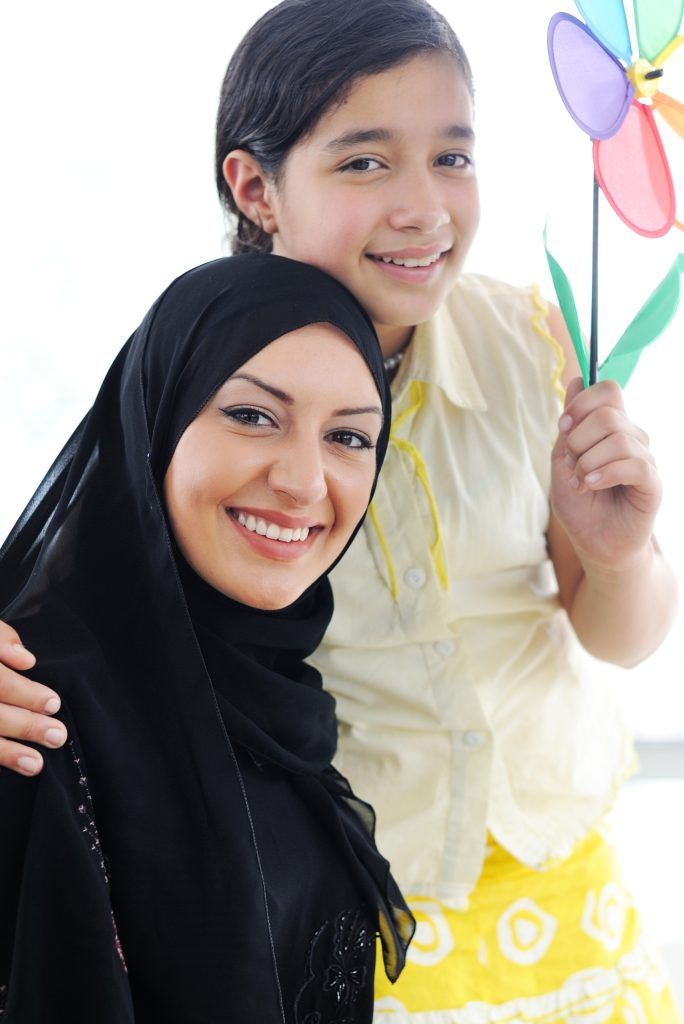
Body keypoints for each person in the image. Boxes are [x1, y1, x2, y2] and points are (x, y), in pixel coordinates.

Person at [0, 0, 680, 1018]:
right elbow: (94, 591)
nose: (424, 206)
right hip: (362, 897)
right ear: (255, 186)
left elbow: (617, 635)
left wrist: (620, 551)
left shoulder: (530, 344)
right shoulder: (205, 385)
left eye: (453, 157)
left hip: (567, 872)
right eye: (366, 163)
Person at [0, 253, 414, 1023]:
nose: (304, 481)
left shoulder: (284, 707)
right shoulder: (31, 706)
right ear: (156, 421)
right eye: (253, 416)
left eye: (350, 438)